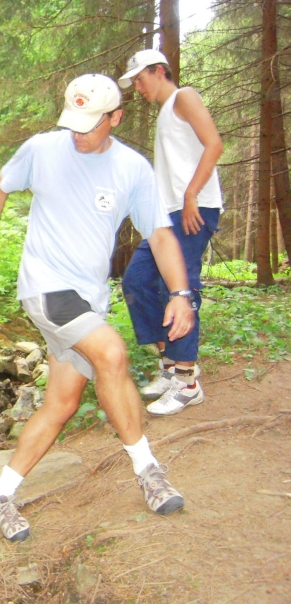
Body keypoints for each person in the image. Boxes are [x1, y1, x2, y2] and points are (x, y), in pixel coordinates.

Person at [0, 73, 195, 542]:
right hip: (45, 287)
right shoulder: (41, 149)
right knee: (111, 353)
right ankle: (148, 471)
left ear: (116, 118)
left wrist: (180, 294)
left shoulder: (132, 169)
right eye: (72, 123)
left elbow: (160, 236)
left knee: (62, 403)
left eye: (89, 124)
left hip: (88, 298)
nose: (77, 134)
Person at [118, 50, 223, 416]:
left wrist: (192, 195)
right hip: (166, 216)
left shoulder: (184, 97)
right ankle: (170, 366)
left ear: (160, 70)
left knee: (180, 288)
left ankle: (187, 383)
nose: (137, 87)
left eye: (140, 78)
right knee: (136, 281)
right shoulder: (165, 111)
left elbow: (214, 143)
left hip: (192, 208)